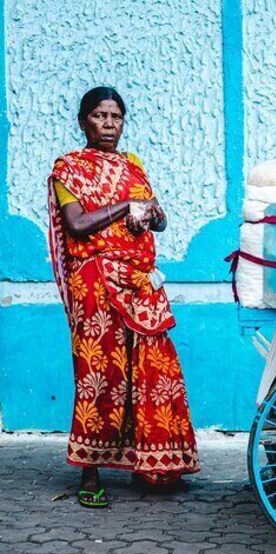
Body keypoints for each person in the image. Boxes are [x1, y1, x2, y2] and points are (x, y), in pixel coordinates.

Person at [48, 86, 199, 508]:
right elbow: (77, 224)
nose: (109, 125)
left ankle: (153, 463)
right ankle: (89, 474)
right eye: (100, 116)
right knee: (100, 375)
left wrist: (150, 212)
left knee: (153, 371)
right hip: (96, 283)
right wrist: (124, 206)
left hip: (141, 282)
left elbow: (159, 219)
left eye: (116, 117)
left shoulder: (133, 165)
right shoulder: (69, 170)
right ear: (83, 121)